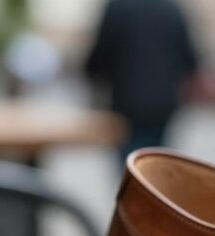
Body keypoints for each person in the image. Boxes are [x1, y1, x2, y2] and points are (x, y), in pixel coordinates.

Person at [85, 0, 199, 162]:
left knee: (131, 163)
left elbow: (101, 52)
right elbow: (190, 60)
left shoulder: (118, 6)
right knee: (155, 160)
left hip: (127, 100)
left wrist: (92, 74)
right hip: (164, 102)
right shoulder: (172, 8)